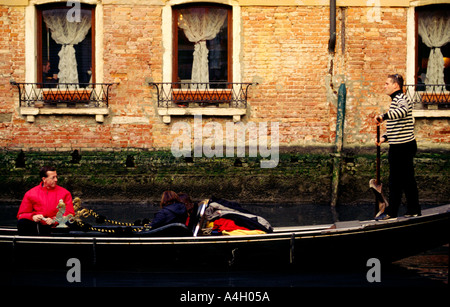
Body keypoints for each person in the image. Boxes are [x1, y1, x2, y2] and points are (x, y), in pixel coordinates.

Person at [374, 74, 420, 220]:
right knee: (402, 181)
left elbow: (402, 112)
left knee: (399, 181)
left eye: (387, 83)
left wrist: (383, 117)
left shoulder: (402, 99)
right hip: (400, 145)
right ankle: (409, 210)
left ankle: (394, 213)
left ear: (396, 86)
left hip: (403, 147)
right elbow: (398, 124)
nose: (385, 86)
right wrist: (384, 137)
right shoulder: (397, 100)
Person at [17, 166, 75, 235]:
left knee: (69, 222)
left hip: (57, 226)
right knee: (22, 222)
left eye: (56, 177)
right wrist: (33, 217)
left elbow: (70, 214)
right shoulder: (30, 194)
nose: (56, 180)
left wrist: (54, 220)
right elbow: (21, 215)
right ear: (44, 179)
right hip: (38, 226)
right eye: (53, 177)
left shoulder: (65, 193)